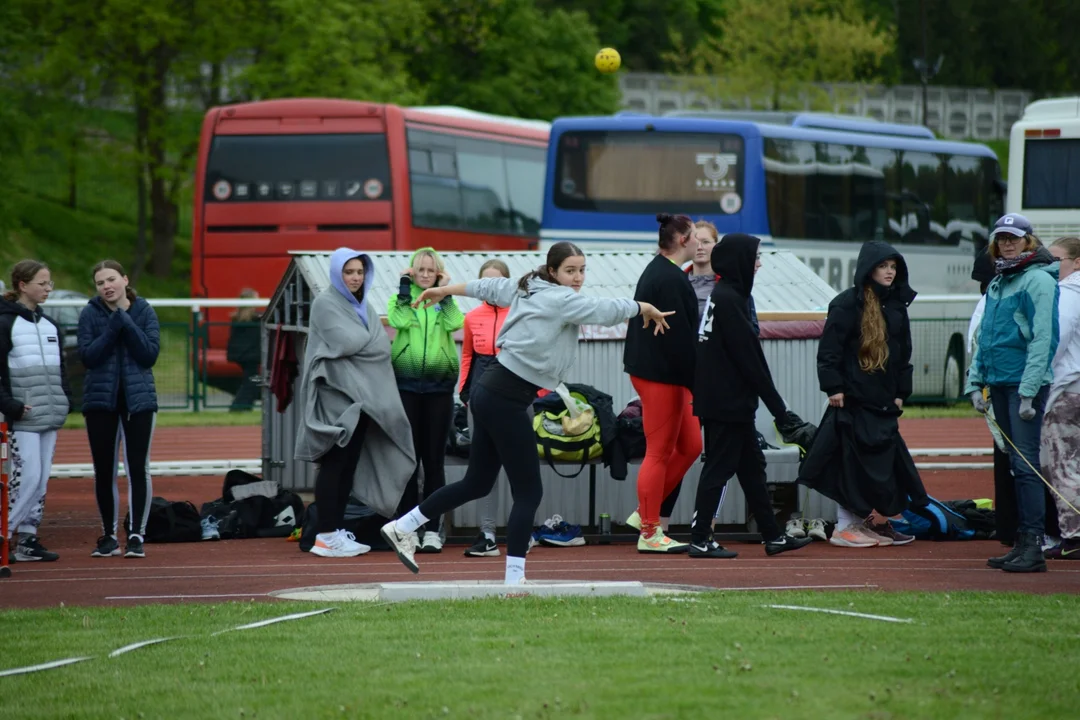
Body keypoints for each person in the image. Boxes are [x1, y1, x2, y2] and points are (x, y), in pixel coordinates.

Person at [381, 242, 674, 584]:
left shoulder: (526, 286)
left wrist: (442, 289)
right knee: (529, 493)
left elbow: (485, 287)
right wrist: (644, 307)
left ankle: (402, 526)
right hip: (504, 397)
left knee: (477, 482)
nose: (578, 278)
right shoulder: (559, 298)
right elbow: (603, 310)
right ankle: (514, 580)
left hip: (495, 394)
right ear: (553, 272)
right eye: (570, 271)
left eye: (582, 270)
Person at [692, 234, 814, 558]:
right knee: (718, 468)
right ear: (739, 261)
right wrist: (780, 411)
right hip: (726, 403)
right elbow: (752, 361)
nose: (759, 263)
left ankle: (772, 536)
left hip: (727, 401)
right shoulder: (731, 299)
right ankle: (700, 538)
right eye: (756, 257)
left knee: (752, 467)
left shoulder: (727, 295)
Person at [798, 241, 926, 548]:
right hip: (853, 398)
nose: (890, 272)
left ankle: (865, 522)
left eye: (893, 267)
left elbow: (903, 353)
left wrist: (900, 393)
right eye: (883, 266)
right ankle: (845, 526)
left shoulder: (896, 304)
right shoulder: (846, 304)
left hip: (883, 400)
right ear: (868, 269)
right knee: (851, 463)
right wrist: (834, 387)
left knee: (884, 464)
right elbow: (829, 350)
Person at [294, 248, 416, 558]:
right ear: (337, 274)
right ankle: (324, 535)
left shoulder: (364, 306)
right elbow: (346, 342)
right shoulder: (325, 304)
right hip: (336, 401)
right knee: (333, 466)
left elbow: (380, 350)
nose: (355, 278)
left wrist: (369, 341)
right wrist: (370, 339)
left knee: (348, 468)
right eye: (349, 272)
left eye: (360, 272)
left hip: (365, 403)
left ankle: (334, 531)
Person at [967, 214, 1059, 573]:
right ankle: (1022, 541)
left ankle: (1033, 544)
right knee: (1014, 467)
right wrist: (975, 382)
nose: (1007, 243)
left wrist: (1029, 390)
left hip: (1023, 386)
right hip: (1000, 382)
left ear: (1028, 241)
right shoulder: (999, 281)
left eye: (1014, 238)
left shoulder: (1037, 279)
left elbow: (1043, 338)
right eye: (1002, 238)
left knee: (1026, 467)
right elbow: (984, 338)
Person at [621, 213, 700, 554]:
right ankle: (651, 531)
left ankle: (645, 513)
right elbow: (679, 340)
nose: (699, 242)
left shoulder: (667, 272)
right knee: (660, 451)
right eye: (695, 236)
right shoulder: (668, 278)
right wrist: (700, 382)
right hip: (661, 375)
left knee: (692, 445)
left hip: (666, 374)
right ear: (683, 240)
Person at [78, 260, 160, 560]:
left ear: (125, 280)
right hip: (100, 402)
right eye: (100, 283)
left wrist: (125, 321)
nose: (106, 286)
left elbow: (148, 355)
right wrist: (113, 327)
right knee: (105, 470)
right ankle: (109, 535)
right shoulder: (89, 313)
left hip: (139, 402)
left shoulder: (145, 311)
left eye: (111, 279)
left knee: (138, 468)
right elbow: (88, 356)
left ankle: (137, 534)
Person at [389, 248, 465, 554]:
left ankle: (433, 528)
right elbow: (398, 319)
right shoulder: (402, 299)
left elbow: (456, 323)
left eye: (430, 270)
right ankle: (408, 528)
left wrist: (444, 292)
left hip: (439, 390)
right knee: (410, 461)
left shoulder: (444, 303)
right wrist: (404, 289)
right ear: (411, 271)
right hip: (406, 388)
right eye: (419, 269)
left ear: (438, 273)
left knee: (433, 461)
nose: (424, 274)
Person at [0, 260, 70, 562]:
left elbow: (61, 370)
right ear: (22, 285)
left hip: (49, 415)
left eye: (50, 283)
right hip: (21, 418)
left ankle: (28, 539)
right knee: (26, 477)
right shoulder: (5, 323)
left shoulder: (50, 324)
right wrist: (11, 406)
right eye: (42, 283)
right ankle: (6, 534)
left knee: (40, 480)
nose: (48, 288)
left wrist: (64, 399)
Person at [459, 259, 512, 558]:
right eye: (484, 283)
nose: (490, 289)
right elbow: (467, 355)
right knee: (483, 468)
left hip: (513, 395)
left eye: (497, 282)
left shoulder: (520, 313)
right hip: (479, 396)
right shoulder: (471, 317)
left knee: (520, 467)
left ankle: (523, 531)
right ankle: (487, 533)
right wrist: (464, 391)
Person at [1043, 236, 1080, 559]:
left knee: (1063, 464)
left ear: (1077, 262)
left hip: (1068, 390)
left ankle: (1074, 534)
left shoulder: (1068, 294)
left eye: (1057, 259)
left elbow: (1056, 339)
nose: (1051, 265)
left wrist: (1037, 375)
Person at [227, 288, 262, 412]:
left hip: (242, 355)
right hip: (249, 355)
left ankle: (244, 406)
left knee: (251, 380)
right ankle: (238, 407)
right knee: (251, 381)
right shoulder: (253, 319)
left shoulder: (238, 318)